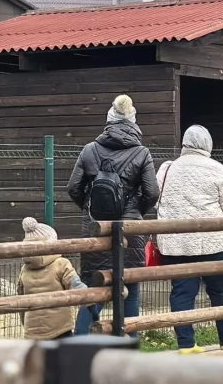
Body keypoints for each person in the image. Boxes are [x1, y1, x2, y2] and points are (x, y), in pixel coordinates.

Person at [67, 94, 160, 336]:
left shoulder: (90, 150)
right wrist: (135, 210)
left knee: (94, 289)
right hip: (130, 231)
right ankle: (128, 346)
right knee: (130, 290)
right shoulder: (142, 153)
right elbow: (152, 192)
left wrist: (91, 210)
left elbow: (73, 188)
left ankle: (81, 345)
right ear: (133, 121)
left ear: (109, 119)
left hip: (96, 230)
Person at [155, 125, 223, 354]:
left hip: (176, 245)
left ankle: (186, 344)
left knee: (182, 293)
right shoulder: (217, 169)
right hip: (214, 244)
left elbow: (155, 199)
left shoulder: (167, 169)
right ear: (207, 145)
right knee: (221, 293)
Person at [17, 217, 97, 340]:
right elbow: (76, 286)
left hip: (32, 331)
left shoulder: (24, 270)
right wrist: (91, 303)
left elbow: (20, 299)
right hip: (60, 328)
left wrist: (25, 322)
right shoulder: (61, 264)